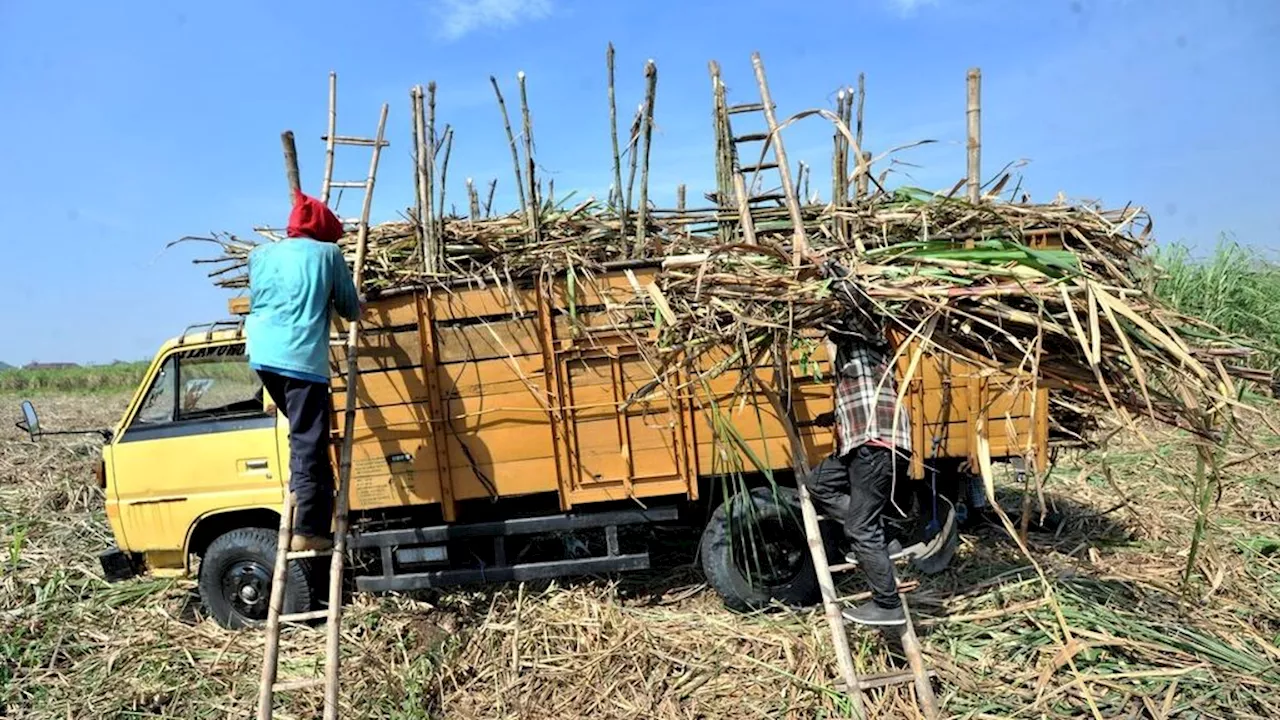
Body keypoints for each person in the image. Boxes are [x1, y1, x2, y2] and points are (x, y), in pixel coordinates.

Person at [246, 190, 360, 552]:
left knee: (304, 436)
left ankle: (306, 506)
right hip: (301, 361)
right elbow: (350, 308)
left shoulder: (259, 255)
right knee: (310, 442)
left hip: (262, 355)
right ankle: (308, 529)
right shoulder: (329, 254)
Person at [802, 257, 913, 627]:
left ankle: (887, 604)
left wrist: (830, 267)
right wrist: (832, 417)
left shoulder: (868, 339)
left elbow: (856, 302)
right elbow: (860, 400)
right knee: (819, 484)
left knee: (862, 529)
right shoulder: (850, 362)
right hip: (859, 444)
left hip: (876, 444)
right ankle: (881, 537)